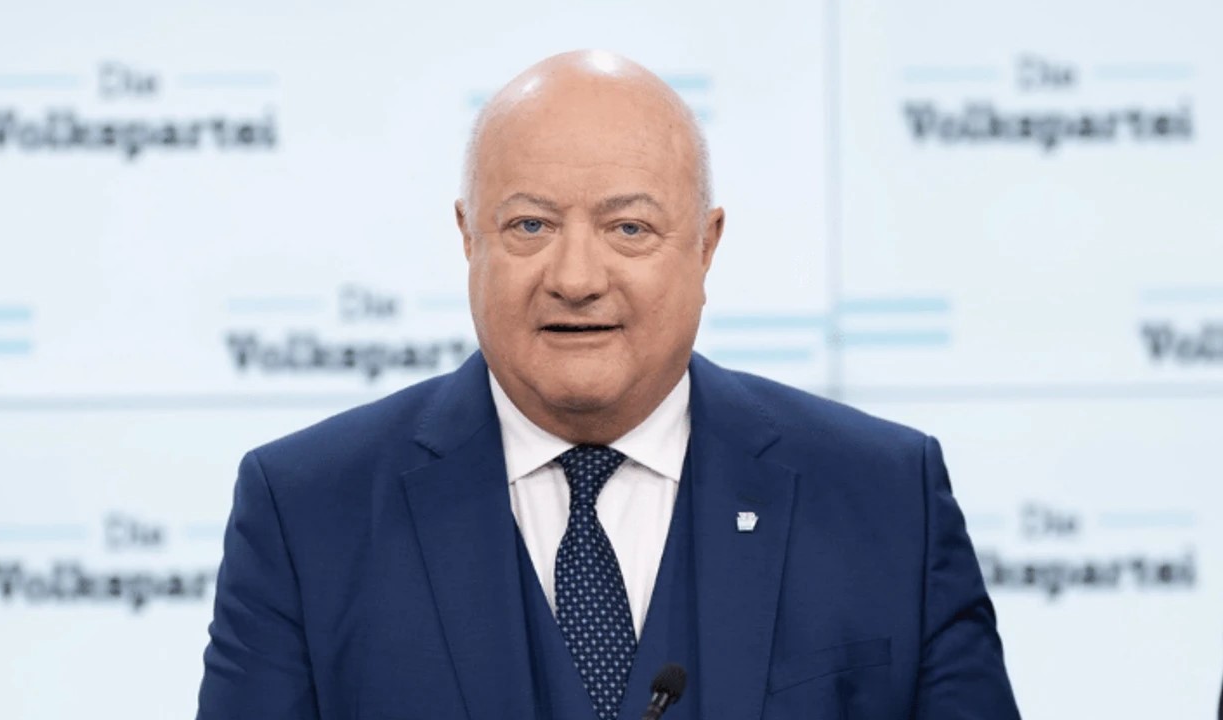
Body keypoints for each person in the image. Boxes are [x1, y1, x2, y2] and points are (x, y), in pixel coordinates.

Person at [197, 50, 1019, 719]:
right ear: (468, 238)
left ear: (705, 246)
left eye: (629, 228)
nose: (577, 278)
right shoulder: (307, 510)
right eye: (530, 225)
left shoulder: (885, 497)